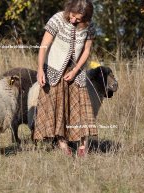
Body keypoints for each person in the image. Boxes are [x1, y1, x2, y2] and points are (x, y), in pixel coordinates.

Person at [33, 0, 98, 157]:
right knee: (57, 107)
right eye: (72, 15)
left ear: (86, 17)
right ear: (69, 9)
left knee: (81, 108)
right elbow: (44, 45)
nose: (74, 20)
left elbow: (86, 51)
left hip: (76, 72)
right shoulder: (57, 19)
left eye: (79, 18)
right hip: (54, 69)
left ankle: (83, 146)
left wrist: (76, 70)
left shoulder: (90, 26)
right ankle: (63, 144)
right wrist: (40, 69)